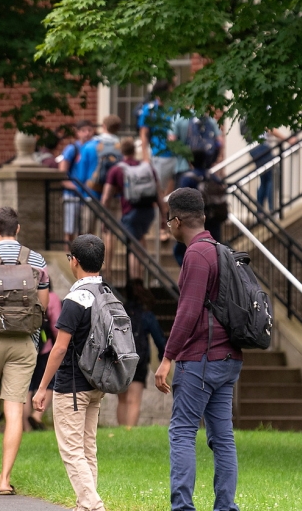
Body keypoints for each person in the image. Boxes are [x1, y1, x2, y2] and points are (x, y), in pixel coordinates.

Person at [155, 189, 242, 511]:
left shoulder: (195, 254)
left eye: (167, 221)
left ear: (177, 221)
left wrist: (167, 359)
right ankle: (225, 506)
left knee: (181, 432)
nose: (167, 226)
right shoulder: (220, 250)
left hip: (202, 360)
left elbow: (188, 312)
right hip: (228, 357)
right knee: (223, 437)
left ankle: (182, 507)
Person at [0, 207, 50, 496]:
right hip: (24, 343)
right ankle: (4, 480)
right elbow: (43, 303)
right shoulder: (37, 260)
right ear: (17, 229)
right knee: (14, 408)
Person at [32, 234, 108, 511]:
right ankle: (84, 505)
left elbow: (60, 348)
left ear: (74, 261)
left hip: (72, 384)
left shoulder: (76, 299)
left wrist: (42, 387)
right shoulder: (107, 293)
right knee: (88, 448)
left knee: (72, 450)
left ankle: (94, 504)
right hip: (97, 381)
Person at [101, 138, 164, 278]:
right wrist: (164, 216)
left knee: (134, 249)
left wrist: (104, 217)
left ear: (121, 151)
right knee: (140, 241)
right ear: (135, 151)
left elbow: (106, 197)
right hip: (148, 211)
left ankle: (136, 284)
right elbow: (159, 193)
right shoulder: (147, 168)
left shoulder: (116, 170)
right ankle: (141, 280)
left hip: (131, 211)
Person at [118, 280, 166, 428]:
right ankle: (129, 431)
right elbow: (159, 339)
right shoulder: (146, 315)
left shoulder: (120, 312)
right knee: (134, 399)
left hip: (120, 360)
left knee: (122, 400)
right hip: (139, 360)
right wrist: (162, 357)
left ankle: (120, 432)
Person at [138, 81, 178, 237]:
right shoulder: (150, 110)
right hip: (159, 155)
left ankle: (169, 225)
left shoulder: (175, 108)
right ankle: (162, 226)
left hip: (176, 155)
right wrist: (146, 157)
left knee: (172, 193)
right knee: (160, 194)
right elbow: (144, 134)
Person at [27, 290, 62, 431]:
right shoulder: (51, 297)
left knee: (26, 388)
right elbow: (57, 326)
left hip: (25, 348)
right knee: (50, 384)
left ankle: (25, 428)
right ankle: (36, 416)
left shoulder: (24, 294)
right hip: (45, 348)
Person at [60, 120, 95, 245]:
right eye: (84, 131)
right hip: (72, 195)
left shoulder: (94, 148)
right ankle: (66, 259)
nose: (87, 133)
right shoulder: (72, 149)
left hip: (87, 195)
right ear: (78, 133)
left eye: (90, 130)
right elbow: (62, 175)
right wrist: (75, 187)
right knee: (70, 231)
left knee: (85, 233)